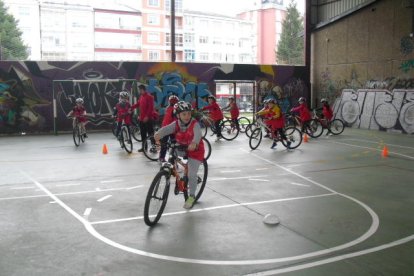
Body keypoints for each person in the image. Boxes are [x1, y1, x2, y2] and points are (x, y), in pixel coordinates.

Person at [154, 101, 205, 209]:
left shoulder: (194, 124)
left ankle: (191, 196)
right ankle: (178, 179)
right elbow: (167, 129)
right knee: (172, 156)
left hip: (195, 150)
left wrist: (195, 142)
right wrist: (159, 133)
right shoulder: (176, 123)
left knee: (191, 175)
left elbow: (198, 134)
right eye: (184, 114)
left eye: (189, 114)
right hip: (182, 147)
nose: (187, 116)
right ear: (178, 115)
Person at [132, 84, 155, 152]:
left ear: (143, 89)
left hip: (148, 119)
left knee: (150, 133)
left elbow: (150, 108)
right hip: (141, 119)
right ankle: (144, 147)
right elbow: (138, 104)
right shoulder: (141, 96)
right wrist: (131, 107)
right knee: (143, 133)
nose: (139, 91)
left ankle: (154, 147)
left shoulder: (149, 97)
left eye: (140, 90)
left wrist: (147, 117)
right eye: (139, 90)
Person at [158, 95, 179, 162]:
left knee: (166, 143)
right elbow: (176, 118)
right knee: (171, 143)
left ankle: (162, 157)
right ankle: (164, 157)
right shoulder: (173, 109)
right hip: (169, 128)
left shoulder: (168, 107)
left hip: (166, 127)